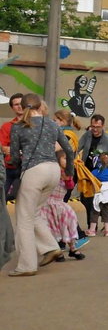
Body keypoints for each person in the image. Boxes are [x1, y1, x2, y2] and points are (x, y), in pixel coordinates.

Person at [8, 93, 75, 276]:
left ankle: (26, 266)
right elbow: (69, 150)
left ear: (21, 107)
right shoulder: (52, 124)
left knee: (24, 220)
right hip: (53, 171)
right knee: (35, 213)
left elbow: (14, 157)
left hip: (33, 172)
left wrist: (16, 164)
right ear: (40, 106)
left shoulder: (18, 127)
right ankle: (50, 247)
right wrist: (69, 170)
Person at [77, 115, 108, 236]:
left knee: (93, 200)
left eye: (98, 127)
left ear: (102, 126)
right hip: (88, 172)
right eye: (93, 126)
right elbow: (77, 148)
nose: (95, 129)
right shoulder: (87, 135)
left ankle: (92, 227)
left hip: (100, 175)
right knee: (85, 198)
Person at [39, 148, 86, 261]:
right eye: (65, 158)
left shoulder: (68, 173)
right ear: (57, 160)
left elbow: (70, 186)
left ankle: (72, 249)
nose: (68, 161)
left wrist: (68, 178)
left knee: (69, 222)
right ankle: (57, 252)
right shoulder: (52, 172)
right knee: (52, 228)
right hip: (48, 204)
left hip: (60, 204)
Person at [0, 93, 25, 201]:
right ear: (12, 108)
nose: (19, 106)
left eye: (22, 103)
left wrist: (13, 150)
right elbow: (3, 148)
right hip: (9, 168)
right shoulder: (6, 126)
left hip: (27, 169)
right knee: (3, 198)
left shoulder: (35, 124)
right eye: (16, 104)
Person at [90, 152, 108, 237]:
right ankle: (107, 231)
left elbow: (91, 181)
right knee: (106, 212)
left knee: (95, 212)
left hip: (99, 194)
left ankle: (92, 230)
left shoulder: (94, 172)